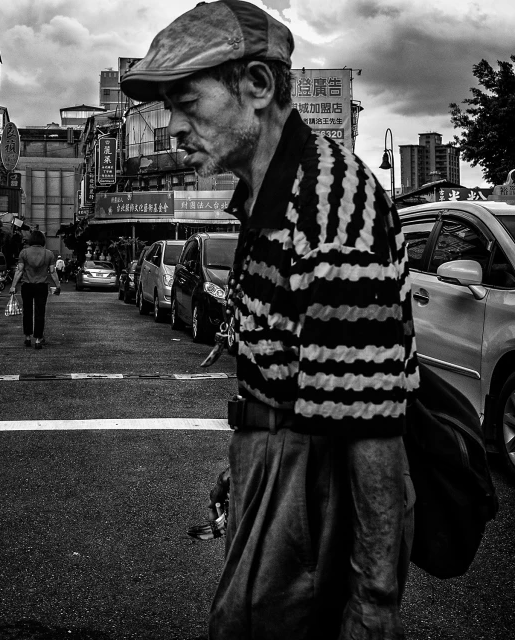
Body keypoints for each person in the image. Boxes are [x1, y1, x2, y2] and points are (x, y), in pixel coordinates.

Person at [121, 2, 420, 639]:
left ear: (257, 86)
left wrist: (375, 599)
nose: (173, 127)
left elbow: (373, 429)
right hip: (276, 463)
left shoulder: (331, 204)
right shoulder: (265, 191)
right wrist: (246, 461)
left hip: (313, 482)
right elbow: (284, 365)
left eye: (186, 101)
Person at [9, 229, 61, 349]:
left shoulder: (24, 253)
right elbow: (52, 272)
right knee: (40, 312)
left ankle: (27, 337)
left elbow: (19, 270)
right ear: (43, 240)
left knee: (27, 311)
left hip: (27, 286)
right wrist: (58, 285)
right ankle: (38, 339)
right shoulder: (49, 254)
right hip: (41, 286)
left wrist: (13, 286)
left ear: (31, 240)